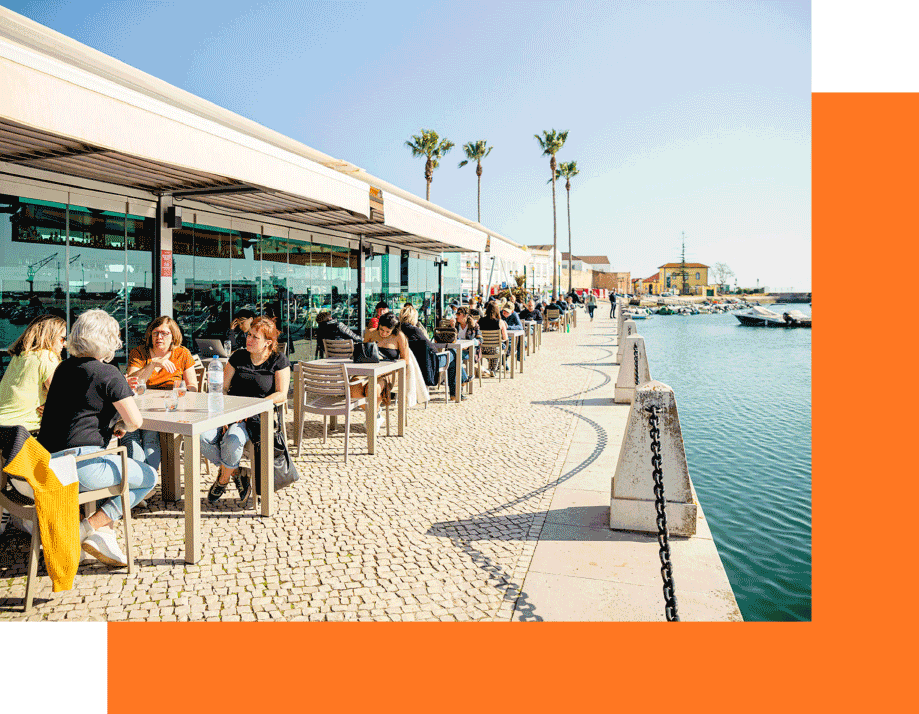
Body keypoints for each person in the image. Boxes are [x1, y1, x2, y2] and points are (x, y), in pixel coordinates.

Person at [37, 309, 157, 567]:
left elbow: (80, 410)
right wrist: (123, 424)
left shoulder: (63, 369)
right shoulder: (108, 373)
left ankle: (104, 536)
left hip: (46, 465)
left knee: (116, 468)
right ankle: (86, 530)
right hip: (82, 467)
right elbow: (136, 422)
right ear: (107, 340)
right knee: (148, 477)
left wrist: (114, 423)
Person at [201, 317, 290, 505]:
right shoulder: (238, 356)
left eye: (255, 337)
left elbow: (281, 394)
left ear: (268, 342)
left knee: (233, 439)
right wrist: (223, 413)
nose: (248, 339)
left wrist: (252, 410)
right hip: (230, 412)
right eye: (248, 335)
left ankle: (223, 479)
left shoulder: (278, 360)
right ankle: (236, 473)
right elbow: (223, 388)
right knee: (202, 437)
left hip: (255, 418)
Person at [122, 316, 198, 469]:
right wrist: (154, 363)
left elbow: (192, 387)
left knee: (150, 437)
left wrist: (177, 395)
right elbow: (132, 382)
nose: (159, 337)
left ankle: (144, 479)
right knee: (132, 440)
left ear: (173, 336)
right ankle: (141, 480)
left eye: (164, 333)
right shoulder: (139, 353)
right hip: (139, 407)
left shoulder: (182, 354)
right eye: (155, 333)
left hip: (167, 409)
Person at [0, 314, 66, 434]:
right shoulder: (47, 356)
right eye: (62, 339)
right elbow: (62, 397)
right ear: (49, 337)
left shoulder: (20, 356)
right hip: (24, 431)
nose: (64, 344)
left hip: (4, 426)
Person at [353, 312, 411, 429]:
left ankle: (372, 417)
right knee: (353, 388)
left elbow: (405, 360)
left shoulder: (399, 336)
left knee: (373, 388)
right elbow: (364, 353)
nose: (383, 333)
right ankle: (375, 413)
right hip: (369, 370)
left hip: (389, 373)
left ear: (393, 330)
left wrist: (387, 366)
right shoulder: (371, 333)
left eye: (387, 331)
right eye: (381, 330)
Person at [400, 304, 464, 399]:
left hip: (414, 363)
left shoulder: (399, 331)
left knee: (453, 355)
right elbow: (430, 347)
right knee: (454, 353)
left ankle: (460, 385)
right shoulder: (415, 331)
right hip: (427, 364)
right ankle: (456, 391)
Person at [478, 301, 508, 375]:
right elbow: (505, 338)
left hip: (482, 349)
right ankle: (493, 370)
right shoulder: (500, 322)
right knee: (498, 347)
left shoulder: (480, 320)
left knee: (494, 347)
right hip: (494, 349)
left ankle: (490, 369)